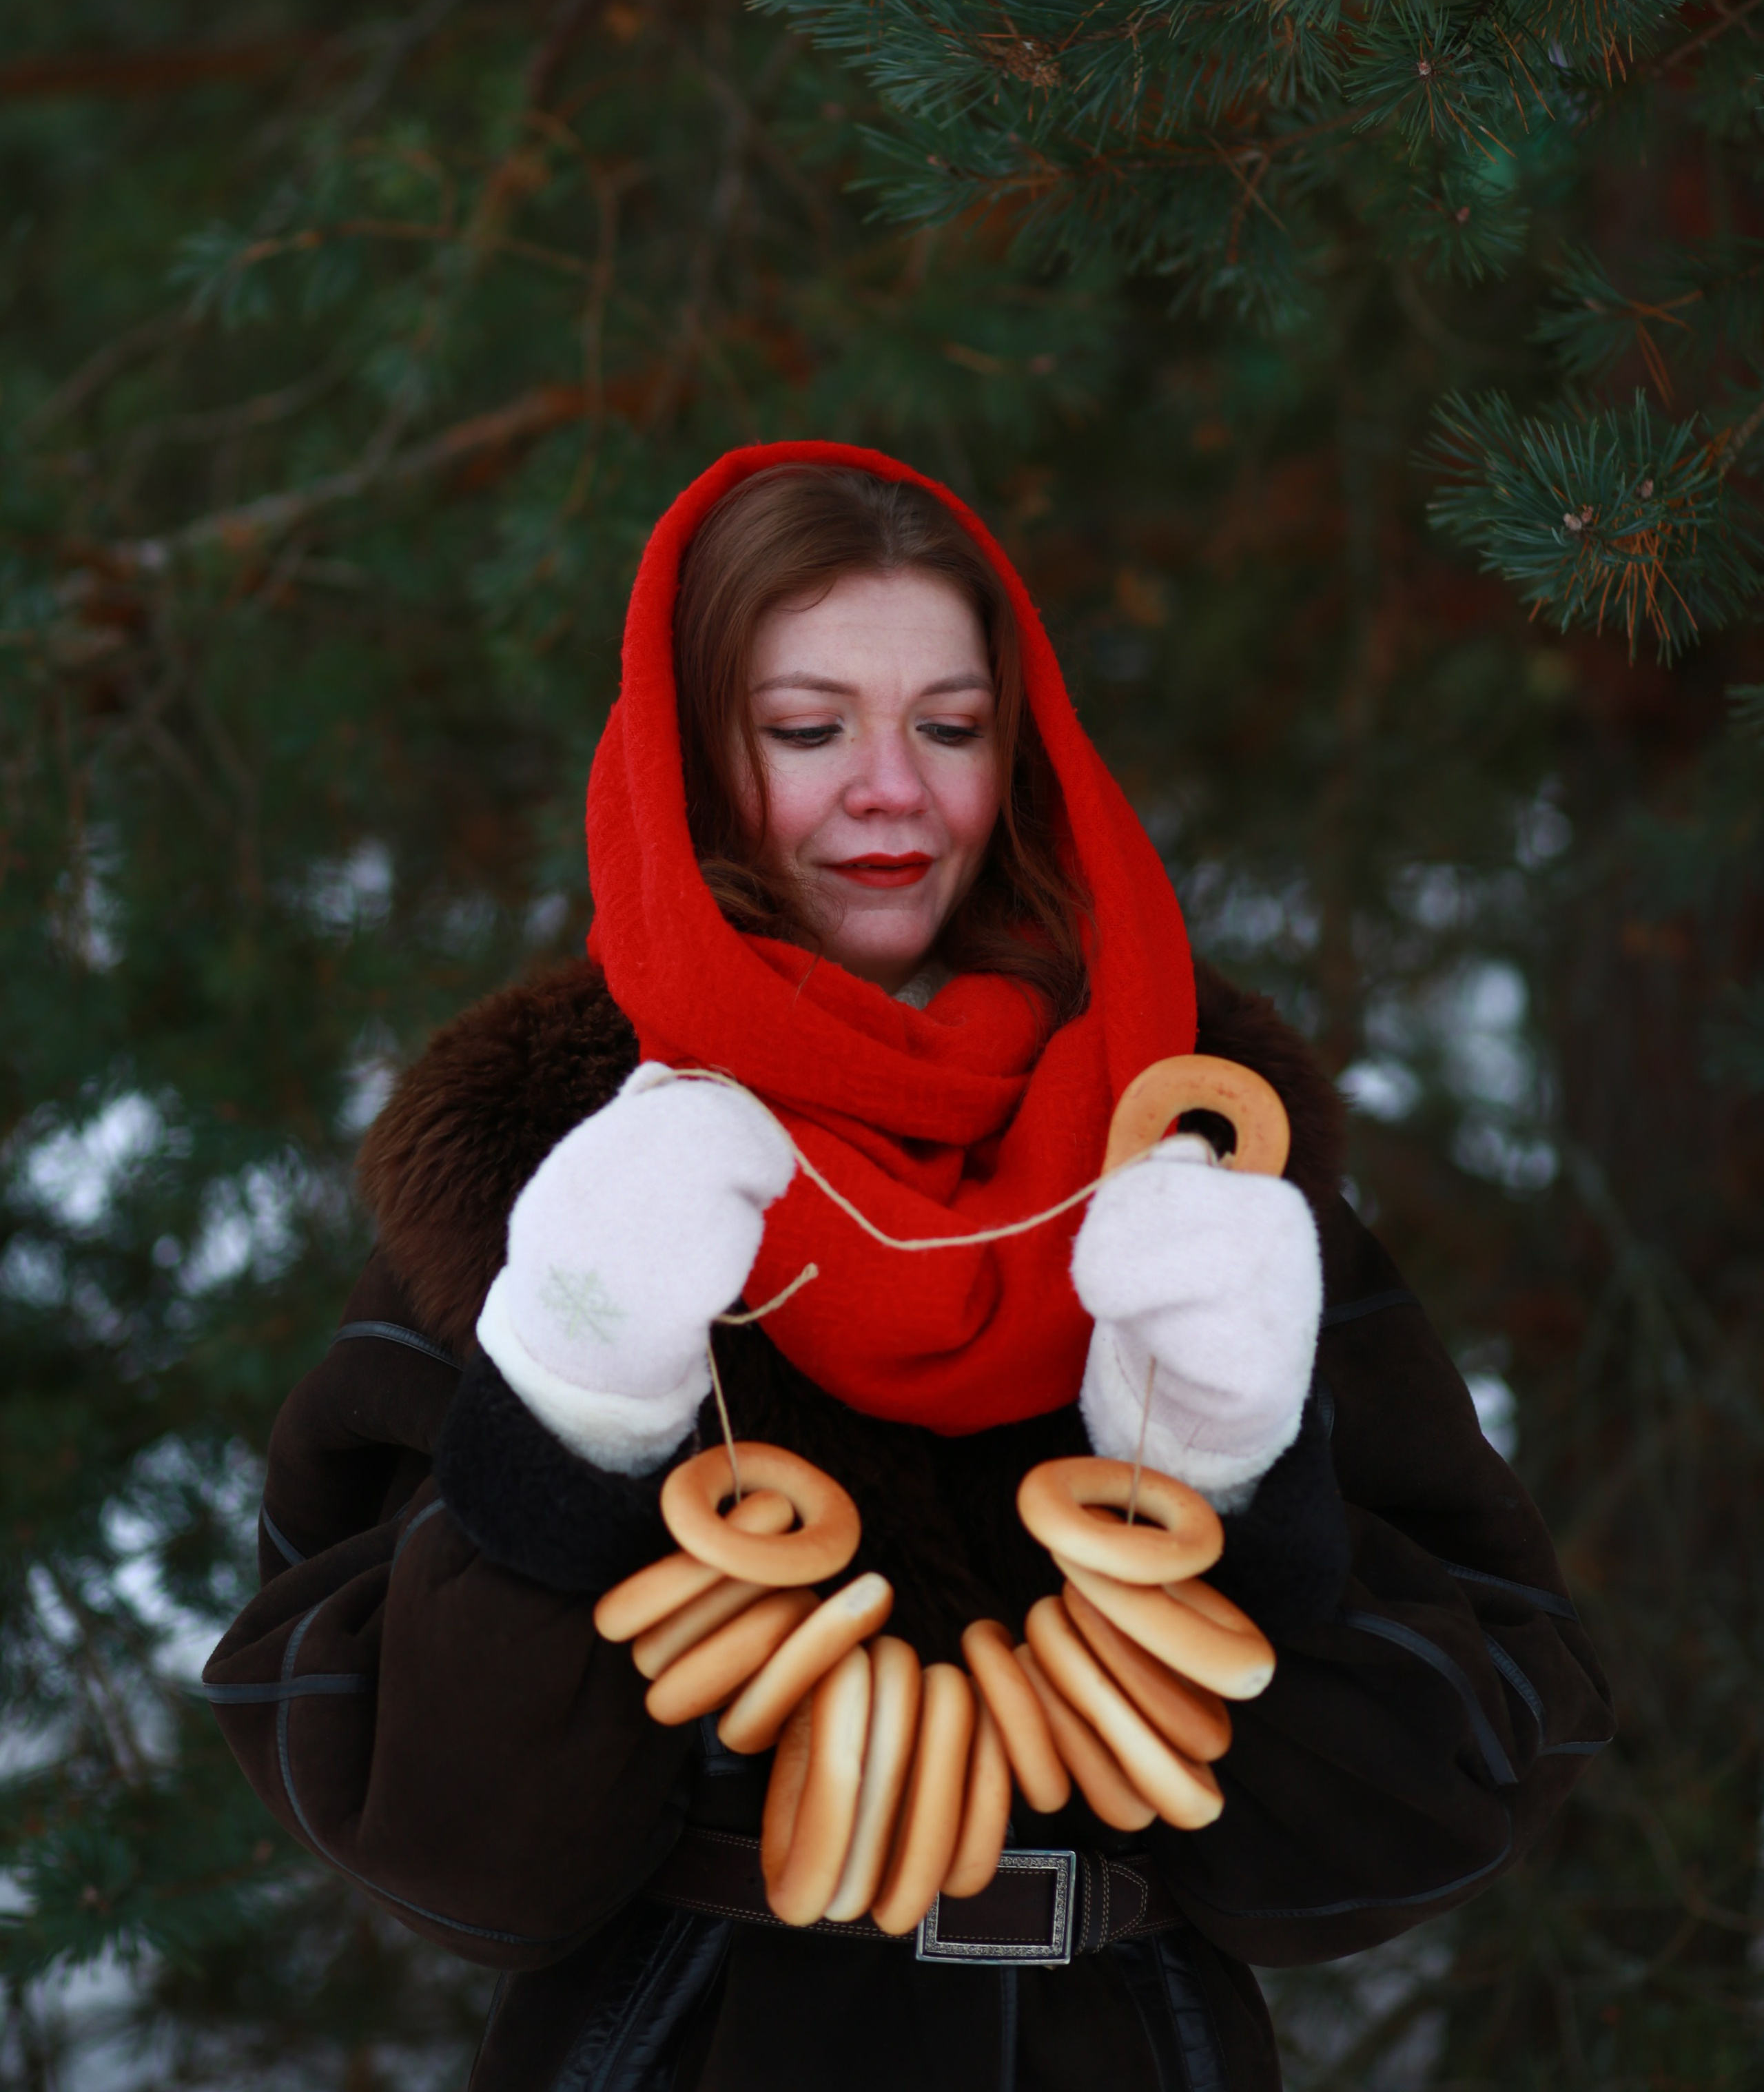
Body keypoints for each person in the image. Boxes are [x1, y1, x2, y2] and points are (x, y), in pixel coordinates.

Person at [204, 441, 1612, 2092]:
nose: (893, 790)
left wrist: (1238, 1492)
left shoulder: (1198, 1179)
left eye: (948, 727)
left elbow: (1439, 1803)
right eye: (808, 731)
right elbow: (445, 1856)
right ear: (692, 769)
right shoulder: (551, 1178)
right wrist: (562, 1420)